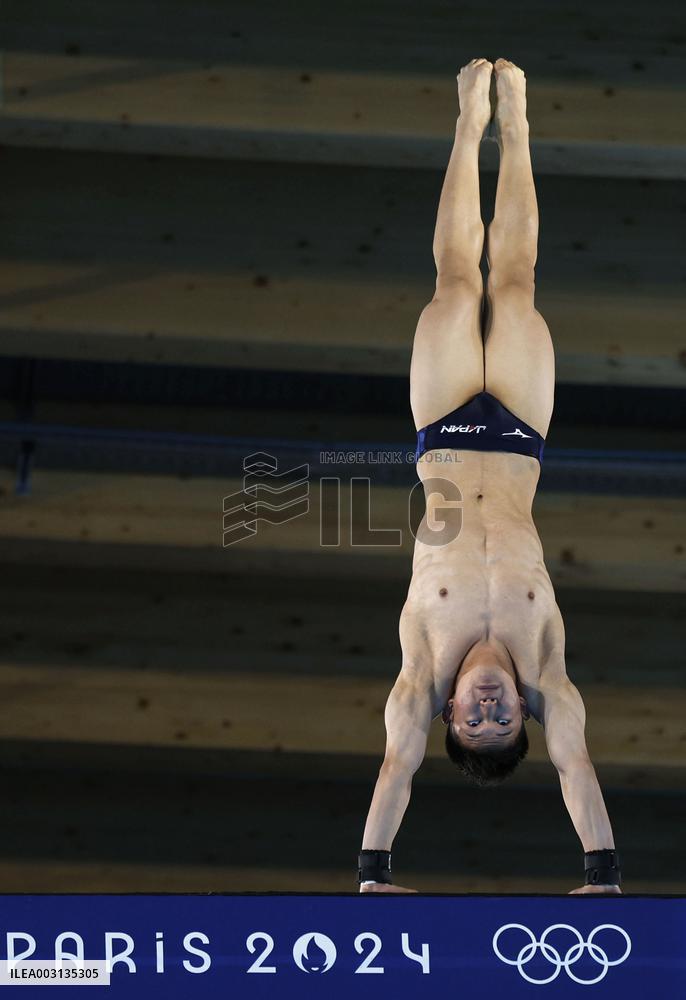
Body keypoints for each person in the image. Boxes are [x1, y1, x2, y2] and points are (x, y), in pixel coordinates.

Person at [358, 58, 621, 895]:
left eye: (473, 722)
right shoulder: (546, 669)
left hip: (442, 429)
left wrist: (372, 877)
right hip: (518, 436)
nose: (489, 709)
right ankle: (520, 128)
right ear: (522, 713)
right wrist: (602, 875)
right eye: (503, 721)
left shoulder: (422, 672)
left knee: (453, 281)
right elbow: (575, 766)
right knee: (514, 282)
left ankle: (469, 124)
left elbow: (397, 767)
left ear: (447, 713)